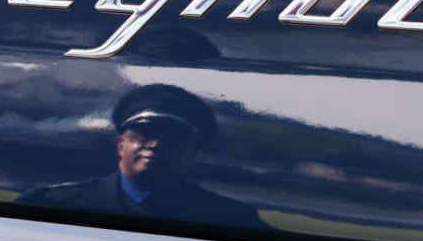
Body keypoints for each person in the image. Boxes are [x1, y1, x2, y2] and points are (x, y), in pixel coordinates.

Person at [17, 83, 266, 228]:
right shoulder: (53, 208)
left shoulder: (231, 220)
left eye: (174, 141)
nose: (156, 145)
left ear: (191, 154)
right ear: (120, 145)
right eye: (144, 135)